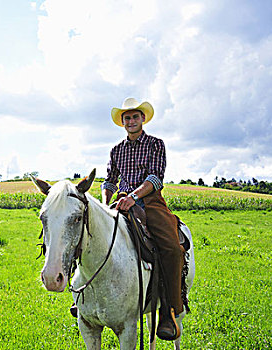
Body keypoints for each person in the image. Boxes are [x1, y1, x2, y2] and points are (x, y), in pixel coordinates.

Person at [101, 97, 185, 341]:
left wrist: (134, 196)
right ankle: (84, 298)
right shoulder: (116, 150)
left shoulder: (156, 144)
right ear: (122, 122)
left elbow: (156, 178)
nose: (131, 121)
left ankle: (169, 311)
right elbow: (109, 180)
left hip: (150, 201)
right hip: (121, 200)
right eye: (127, 118)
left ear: (143, 119)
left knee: (171, 248)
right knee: (91, 234)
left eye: (135, 116)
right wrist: (107, 203)